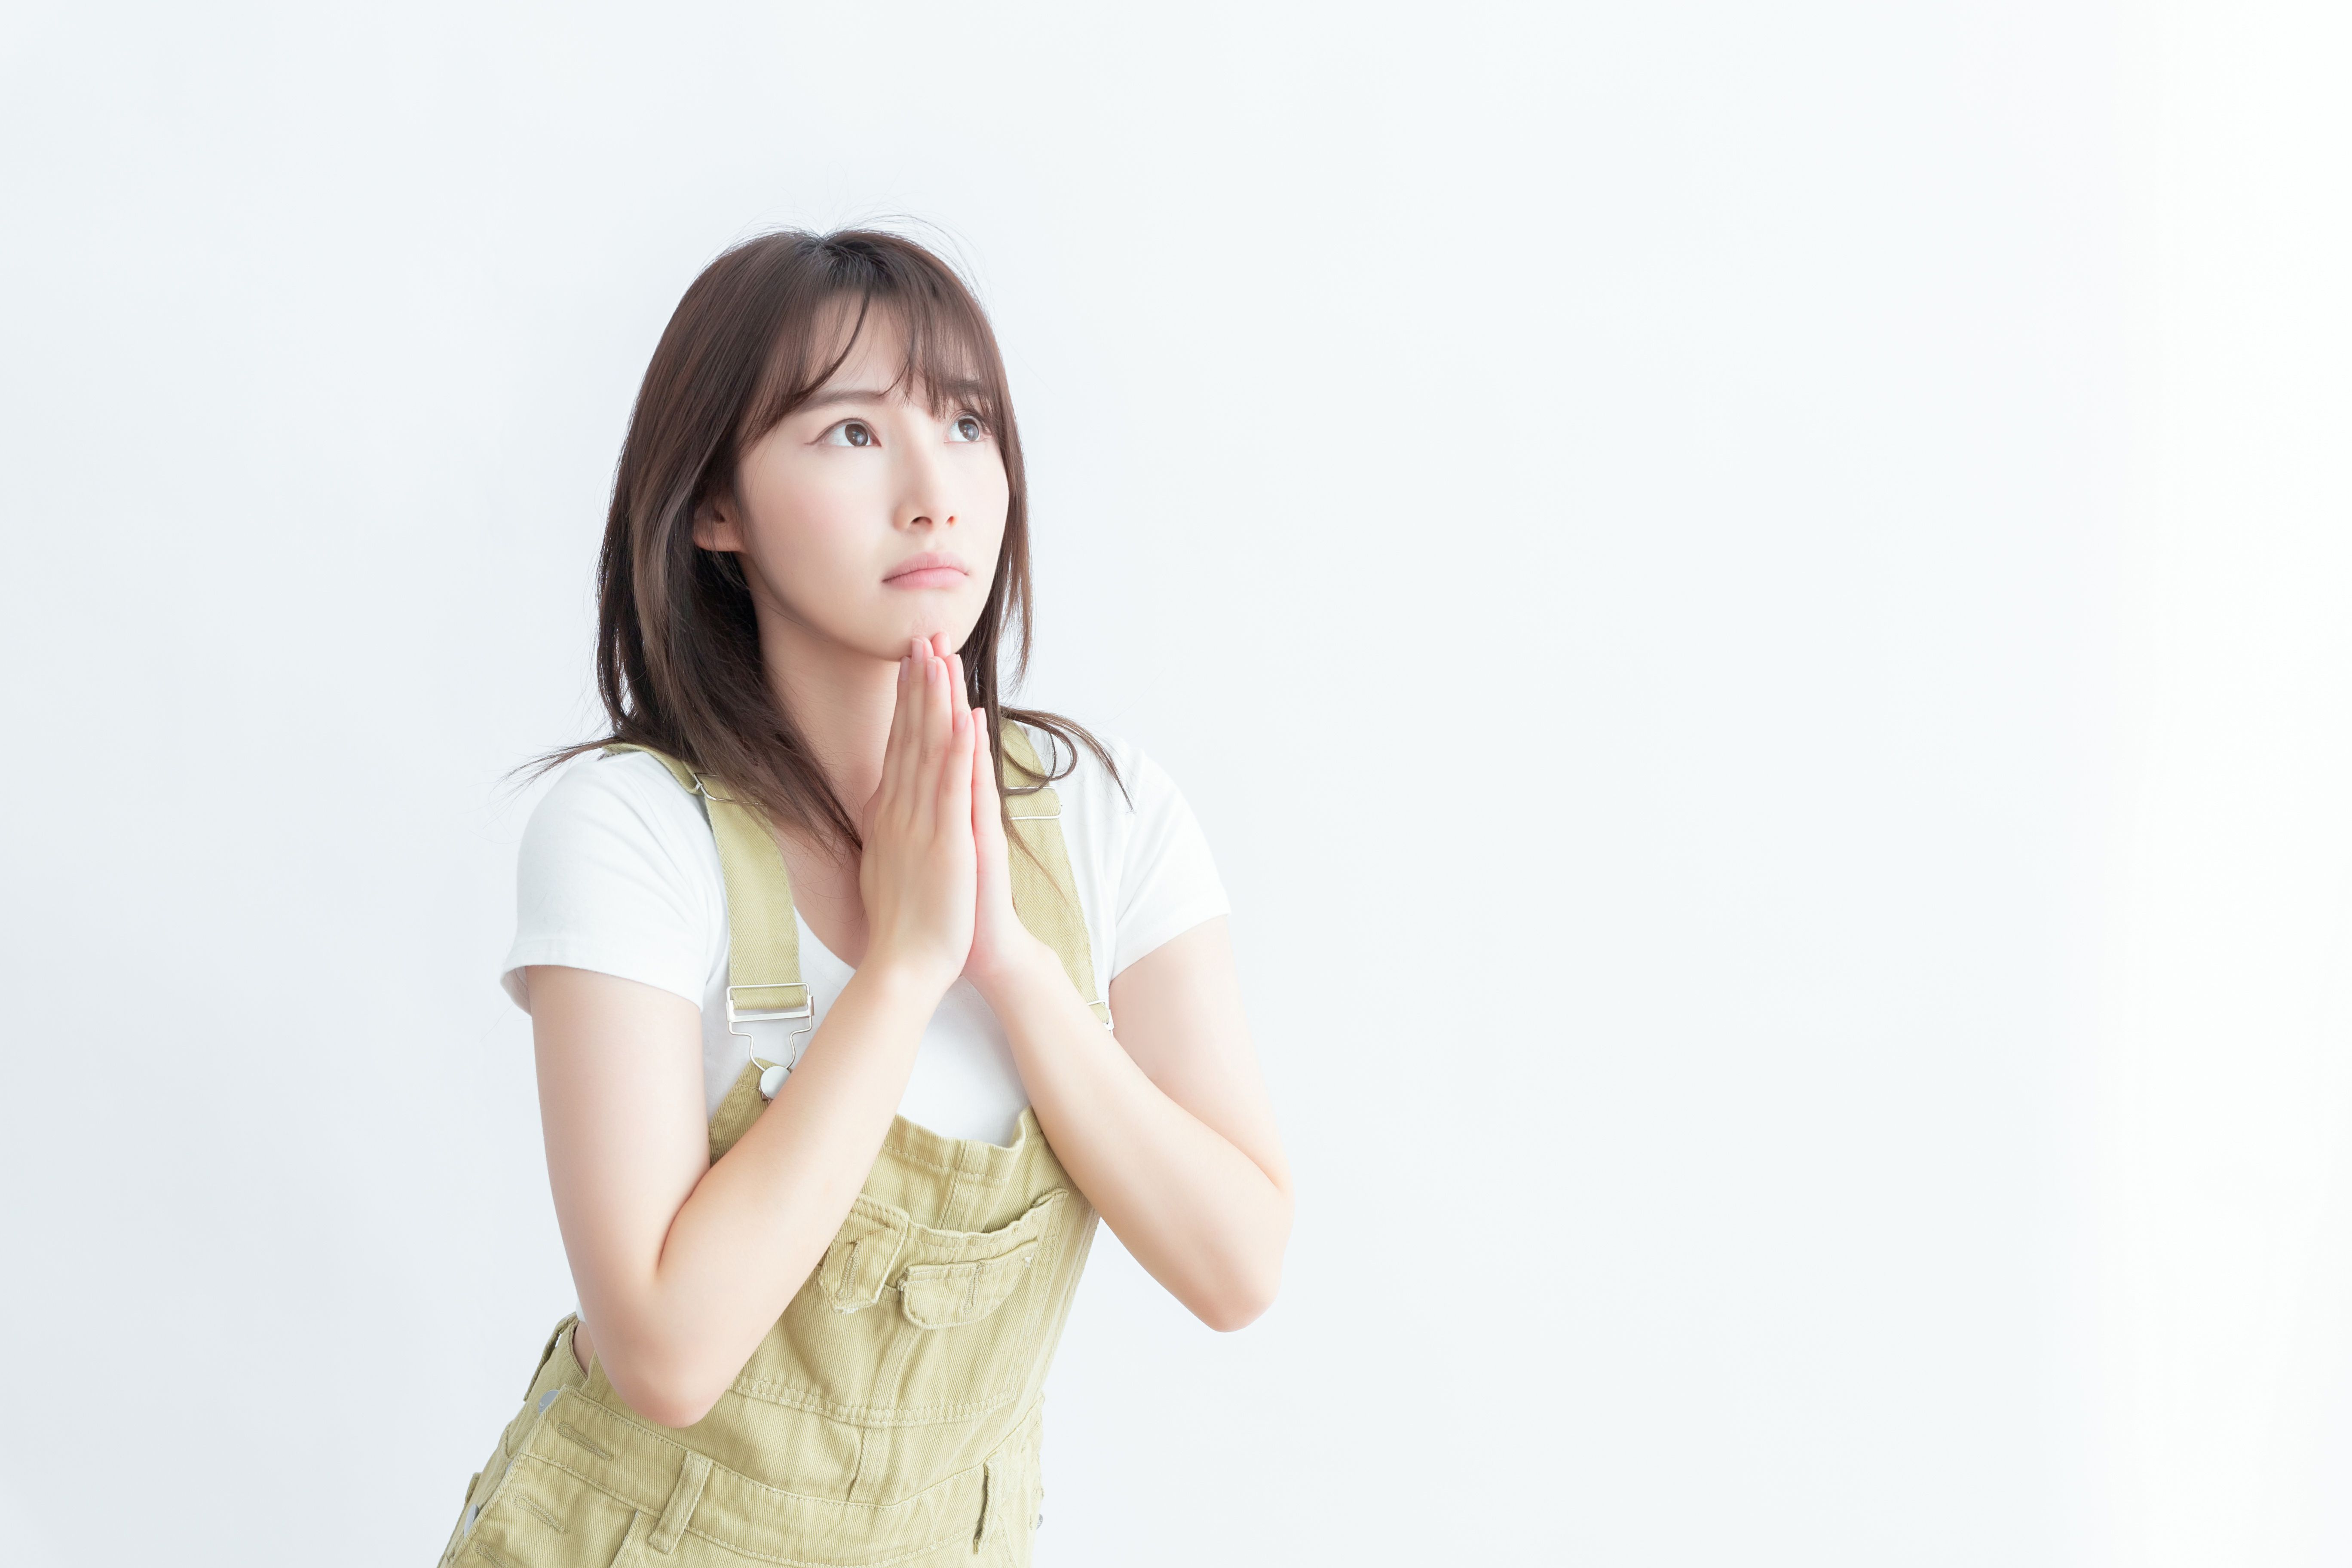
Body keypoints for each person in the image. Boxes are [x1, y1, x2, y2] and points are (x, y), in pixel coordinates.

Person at [435, 229, 1292, 1567]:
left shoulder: (1105, 813)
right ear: (714, 508)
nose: (934, 490)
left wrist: (1004, 959)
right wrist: (900, 972)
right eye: (848, 433)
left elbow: (1237, 1263)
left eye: (965, 423)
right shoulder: (631, 834)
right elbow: (665, 1352)